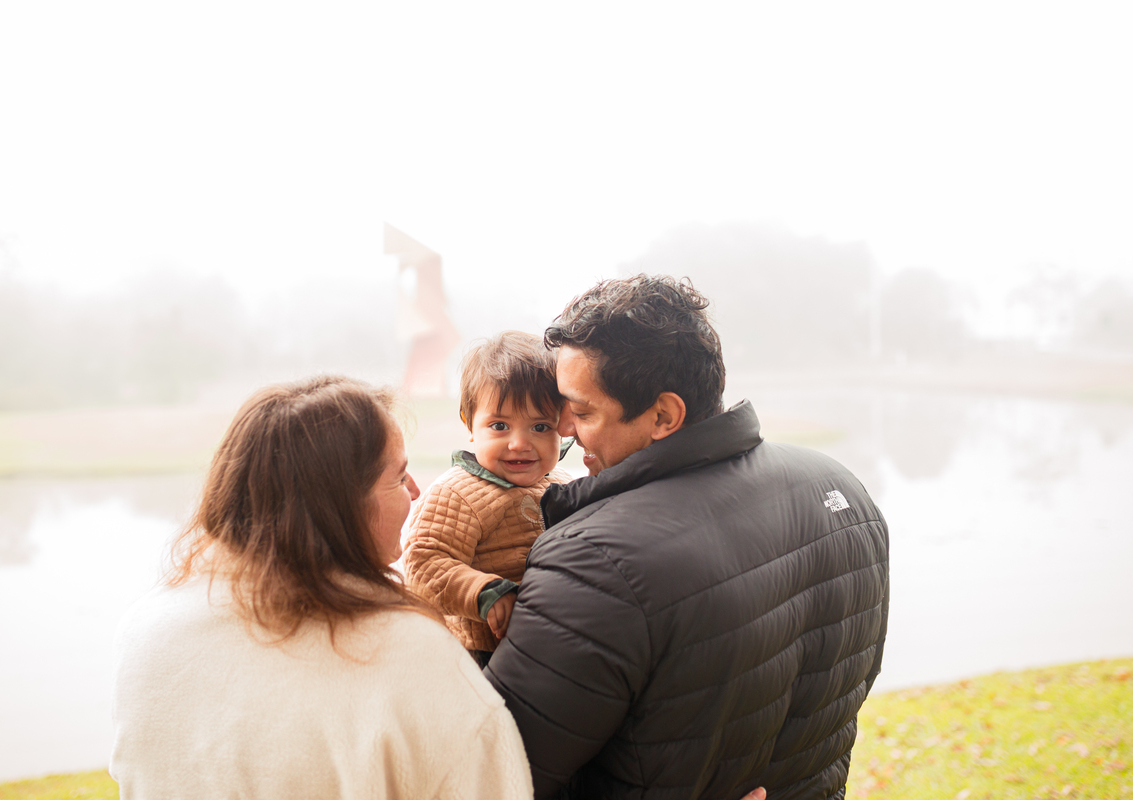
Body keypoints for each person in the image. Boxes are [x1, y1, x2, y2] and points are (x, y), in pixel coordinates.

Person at [483, 275, 890, 799]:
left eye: (582, 411)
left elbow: (490, 777)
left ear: (663, 415)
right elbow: (846, 691)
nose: (562, 428)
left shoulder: (594, 562)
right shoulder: (840, 488)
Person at [109, 376, 533, 799]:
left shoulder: (146, 627)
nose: (415, 491)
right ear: (342, 503)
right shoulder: (408, 650)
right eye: (398, 477)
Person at [404, 331, 573, 668]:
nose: (519, 444)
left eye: (540, 427)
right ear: (469, 424)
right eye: (499, 425)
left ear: (563, 427)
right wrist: (485, 592)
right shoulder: (458, 492)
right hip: (483, 653)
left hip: (553, 637)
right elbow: (422, 562)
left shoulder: (564, 484)